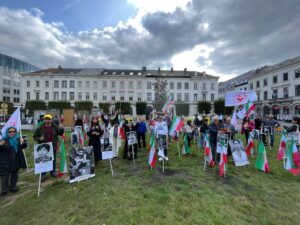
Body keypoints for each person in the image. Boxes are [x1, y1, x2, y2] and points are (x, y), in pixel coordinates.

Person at [33, 114, 64, 182]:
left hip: (53, 145)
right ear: (44, 119)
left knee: (53, 159)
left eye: (49, 119)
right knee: (44, 160)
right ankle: (43, 174)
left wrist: (61, 128)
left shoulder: (55, 127)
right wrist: (40, 139)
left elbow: (60, 133)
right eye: (46, 119)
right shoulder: (40, 127)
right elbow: (34, 136)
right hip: (43, 146)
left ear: (51, 119)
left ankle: (53, 172)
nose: (47, 120)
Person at [0, 127, 27, 196]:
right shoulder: (4, 140)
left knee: (15, 175)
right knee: (5, 176)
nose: (12, 133)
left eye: (14, 131)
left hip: (16, 160)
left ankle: (13, 187)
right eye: (10, 131)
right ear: (7, 132)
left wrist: (23, 142)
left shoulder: (18, 139)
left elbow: (24, 146)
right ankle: (4, 190)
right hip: (5, 162)